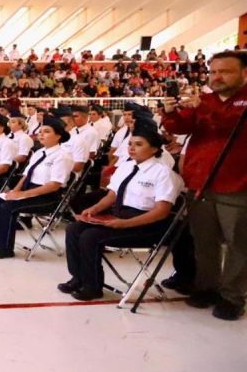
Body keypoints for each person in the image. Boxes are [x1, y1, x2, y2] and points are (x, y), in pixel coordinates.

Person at [162, 49, 247, 320]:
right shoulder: (205, 100)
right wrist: (171, 111)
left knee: (239, 244)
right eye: (213, 71)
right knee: (204, 241)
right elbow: (181, 127)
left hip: (238, 185)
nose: (217, 77)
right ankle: (207, 286)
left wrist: (203, 109)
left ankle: (233, 295)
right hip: (201, 183)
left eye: (225, 71)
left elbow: (229, 125)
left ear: (244, 73)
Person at [60, 122, 183, 301]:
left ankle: (92, 286)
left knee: (90, 237)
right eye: (131, 144)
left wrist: (125, 224)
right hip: (120, 216)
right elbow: (112, 195)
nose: (132, 148)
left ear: (155, 149)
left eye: (139, 144)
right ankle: (78, 277)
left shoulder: (162, 173)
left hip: (147, 224)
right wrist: (94, 209)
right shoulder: (126, 167)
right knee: (73, 229)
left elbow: (162, 212)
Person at [0, 116, 74, 259]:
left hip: (47, 196)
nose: (41, 134)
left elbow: (54, 185)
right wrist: (15, 191)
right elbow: (25, 176)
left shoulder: (62, 157)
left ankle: (5, 248)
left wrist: (22, 195)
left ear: (58, 136)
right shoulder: (39, 153)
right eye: (41, 131)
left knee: (8, 207)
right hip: (29, 191)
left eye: (47, 132)